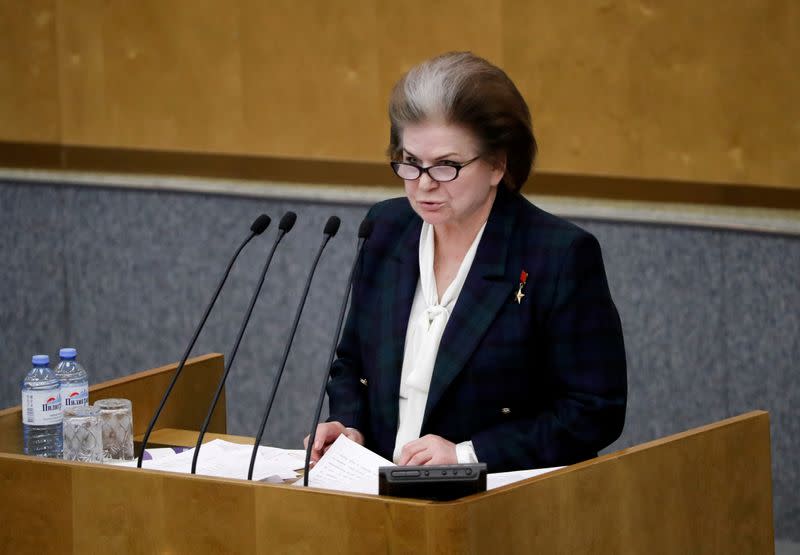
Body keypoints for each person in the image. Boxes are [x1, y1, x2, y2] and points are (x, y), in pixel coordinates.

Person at [306, 51, 627, 472]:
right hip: (378, 491)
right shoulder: (386, 228)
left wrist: (466, 455)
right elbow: (352, 361)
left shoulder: (558, 255)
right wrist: (349, 425)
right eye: (410, 162)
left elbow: (594, 410)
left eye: (446, 166)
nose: (423, 185)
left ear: (497, 165)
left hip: (495, 506)